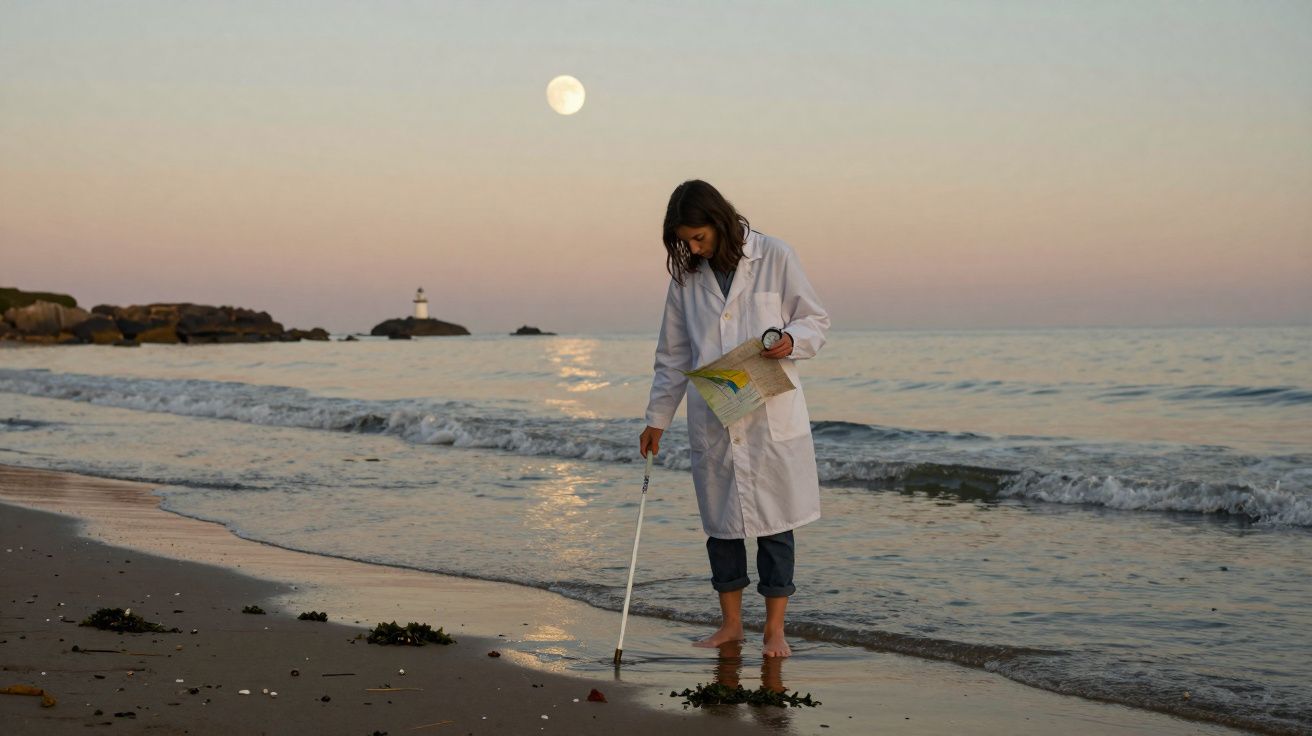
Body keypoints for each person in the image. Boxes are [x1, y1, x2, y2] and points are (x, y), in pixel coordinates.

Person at [639, 180, 830, 658]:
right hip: (715, 414)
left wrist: (791, 339)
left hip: (768, 413)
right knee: (721, 527)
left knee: (775, 525)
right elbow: (672, 355)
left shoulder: (776, 255)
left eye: (698, 237)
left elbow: (816, 321)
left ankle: (774, 630)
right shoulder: (685, 280)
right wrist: (657, 419)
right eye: (685, 241)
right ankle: (729, 626)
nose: (693, 248)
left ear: (720, 222)